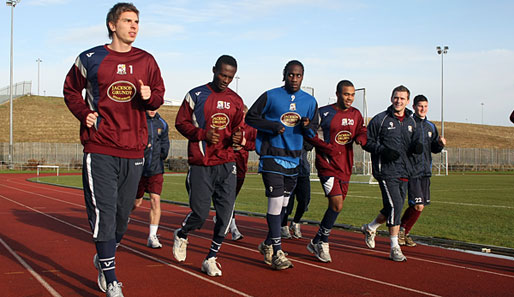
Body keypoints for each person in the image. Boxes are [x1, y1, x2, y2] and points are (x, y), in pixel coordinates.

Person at [63, 2, 165, 296]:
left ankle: (103, 256)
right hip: (100, 148)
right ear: (112, 24)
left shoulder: (147, 60)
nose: (134, 26)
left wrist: (150, 96)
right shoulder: (91, 58)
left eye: (137, 21)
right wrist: (85, 112)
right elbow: (70, 89)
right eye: (128, 21)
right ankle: (111, 278)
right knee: (104, 215)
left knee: (122, 216)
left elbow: (158, 95)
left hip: (134, 150)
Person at [172, 55, 245, 277]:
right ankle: (182, 233)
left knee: (225, 215)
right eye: (223, 74)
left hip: (226, 163)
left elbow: (239, 129)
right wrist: (203, 134)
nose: (225, 80)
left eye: (230, 77)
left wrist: (236, 138)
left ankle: (211, 257)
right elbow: (180, 123)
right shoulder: (195, 95)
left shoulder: (236, 100)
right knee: (201, 213)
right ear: (214, 70)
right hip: (201, 164)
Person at [246, 60, 318, 270]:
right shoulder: (270, 96)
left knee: (284, 206)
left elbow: (314, 131)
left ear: (303, 77)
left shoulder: (310, 101)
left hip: (294, 159)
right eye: (290, 75)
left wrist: (306, 127)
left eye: (298, 75)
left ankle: (268, 243)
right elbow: (251, 117)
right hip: (271, 157)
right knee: (276, 205)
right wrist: (271, 126)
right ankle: (278, 252)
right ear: (284, 75)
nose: (294, 79)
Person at [304, 80, 367, 262]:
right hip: (327, 165)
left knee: (336, 207)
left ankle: (316, 240)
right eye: (346, 94)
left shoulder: (356, 114)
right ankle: (323, 242)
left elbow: (362, 129)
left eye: (352, 95)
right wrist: (327, 147)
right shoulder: (324, 112)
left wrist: (361, 138)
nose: (350, 98)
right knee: (337, 204)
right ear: (338, 94)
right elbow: (310, 133)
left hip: (345, 166)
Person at [361, 85, 422, 262]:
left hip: (405, 170)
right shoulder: (380, 120)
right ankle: (394, 247)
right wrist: (383, 151)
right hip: (386, 171)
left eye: (402, 98)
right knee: (395, 205)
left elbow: (416, 141)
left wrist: (417, 147)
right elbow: (366, 142)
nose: (398, 101)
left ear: (408, 101)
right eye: (396, 97)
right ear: (391, 98)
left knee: (392, 207)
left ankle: (371, 227)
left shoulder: (412, 121)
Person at [398, 95, 446, 247]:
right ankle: (401, 230)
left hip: (425, 171)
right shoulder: (409, 124)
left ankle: (404, 232)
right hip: (412, 171)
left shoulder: (431, 126)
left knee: (420, 206)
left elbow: (434, 149)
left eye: (425, 106)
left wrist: (440, 145)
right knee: (417, 205)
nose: (423, 109)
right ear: (413, 106)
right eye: (420, 106)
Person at [133, 109, 170, 248]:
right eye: (150, 107)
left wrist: (162, 154)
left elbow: (165, 143)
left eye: (155, 107)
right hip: (139, 169)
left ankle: (152, 236)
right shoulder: (138, 121)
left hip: (156, 169)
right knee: (136, 203)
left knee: (155, 200)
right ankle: (121, 219)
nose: (152, 110)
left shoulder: (162, 123)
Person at [229, 105, 257, 240]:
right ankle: (232, 226)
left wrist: (244, 143)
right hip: (227, 162)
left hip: (241, 165)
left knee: (233, 196)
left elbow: (256, 145)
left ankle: (225, 218)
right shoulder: (229, 125)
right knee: (228, 195)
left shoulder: (251, 128)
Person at [280, 141, 313, 239]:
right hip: (289, 171)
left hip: (303, 171)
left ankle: (295, 222)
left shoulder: (305, 132)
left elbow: (310, 145)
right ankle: (283, 225)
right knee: (288, 201)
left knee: (305, 199)